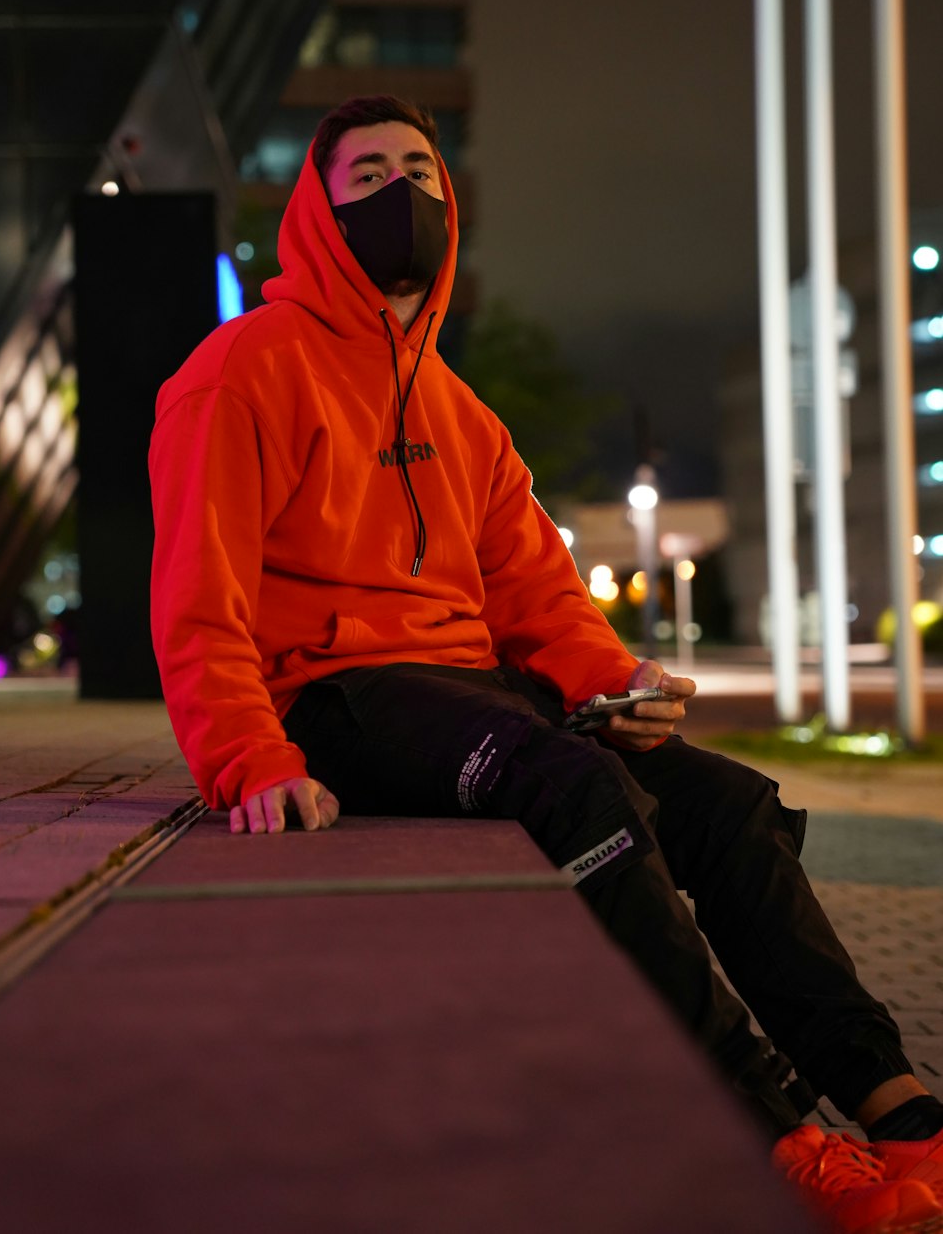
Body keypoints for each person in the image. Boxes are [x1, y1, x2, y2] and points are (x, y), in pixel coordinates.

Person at [150, 95, 943, 1233]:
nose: (399, 193)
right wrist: (245, 756)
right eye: (366, 174)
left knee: (726, 803)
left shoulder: (461, 411)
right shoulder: (240, 373)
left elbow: (538, 593)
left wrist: (608, 684)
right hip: (328, 699)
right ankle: (773, 1130)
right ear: (316, 212)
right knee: (572, 787)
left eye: (419, 168)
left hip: (470, 695)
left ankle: (898, 1106)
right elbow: (196, 597)